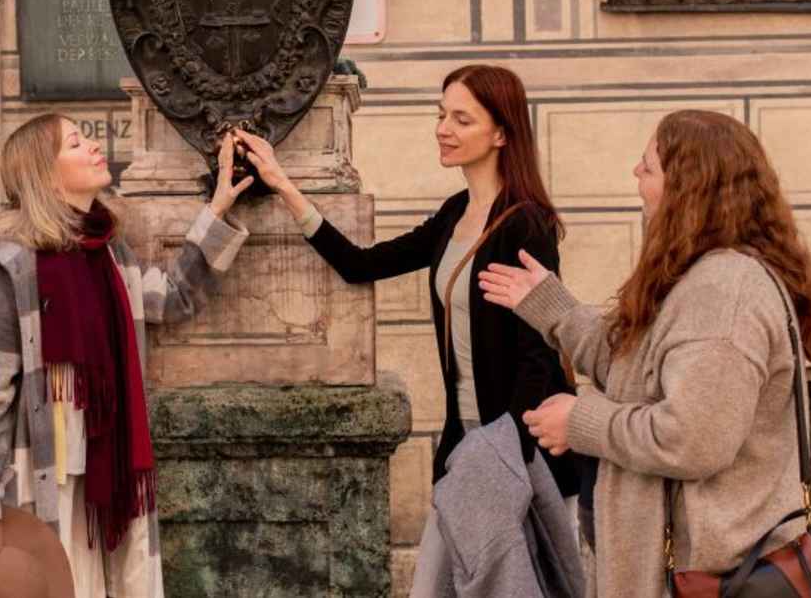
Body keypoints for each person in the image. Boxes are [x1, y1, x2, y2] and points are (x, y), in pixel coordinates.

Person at [235, 64, 597, 586]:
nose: (442, 128)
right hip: (467, 447)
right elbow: (361, 264)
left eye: (461, 119)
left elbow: (538, 357)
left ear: (500, 133)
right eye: (441, 114)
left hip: (517, 456)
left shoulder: (525, 223)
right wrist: (282, 184)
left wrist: (499, 456)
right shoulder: (455, 213)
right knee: (432, 586)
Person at [478, 109, 811, 598]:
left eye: (648, 166)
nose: (635, 173)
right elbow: (633, 370)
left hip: (710, 577)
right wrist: (552, 307)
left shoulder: (724, 292)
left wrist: (581, 421)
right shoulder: (699, 276)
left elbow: (693, 439)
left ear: (688, 188)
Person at [0, 114, 255, 598]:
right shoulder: (9, 266)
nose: (93, 147)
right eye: (75, 143)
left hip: (105, 472)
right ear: (44, 172)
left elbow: (169, 298)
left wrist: (218, 209)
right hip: (39, 475)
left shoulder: (109, 252)